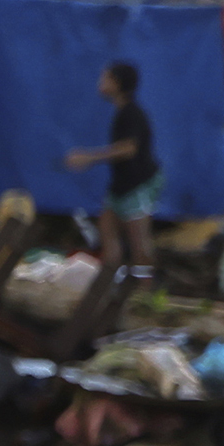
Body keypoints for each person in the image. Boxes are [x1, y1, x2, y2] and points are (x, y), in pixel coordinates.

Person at [65, 57, 160, 284]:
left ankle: (144, 295)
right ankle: (110, 285)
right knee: (107, 230)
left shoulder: (131, 114)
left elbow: (128, 149)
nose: (100, 82)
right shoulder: (122, 112)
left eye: (105, 77)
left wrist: (89, 157)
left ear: (116, 83)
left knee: (139, 244)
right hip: (121, 185)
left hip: (138, 184)